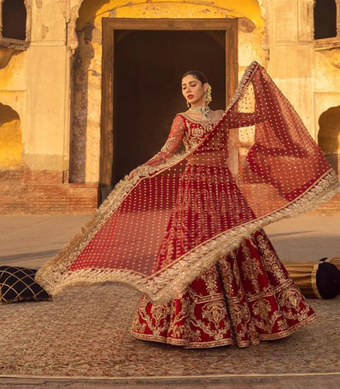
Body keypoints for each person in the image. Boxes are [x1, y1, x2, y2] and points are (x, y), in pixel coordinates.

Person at [36, 61, 340, 349]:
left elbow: (261, 116)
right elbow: (167, 151)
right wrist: (143, 170)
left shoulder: (224, 115)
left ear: (205, 87)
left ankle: (255, 319)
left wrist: (256, 80)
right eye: (183, 87)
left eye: (192, 84)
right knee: (187, 247)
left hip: (224, 189)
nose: (187, 90)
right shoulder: (182, 120)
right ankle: (185, 325)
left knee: (242, 245)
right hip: (194, 190)